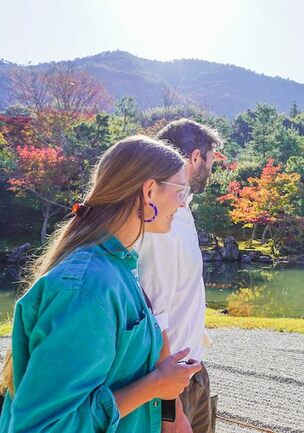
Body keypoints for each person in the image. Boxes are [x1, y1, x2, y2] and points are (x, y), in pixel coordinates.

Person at [0, 136, 202, 433]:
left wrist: (162, 385)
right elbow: (45, 427)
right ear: (149, 191)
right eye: (180, 190)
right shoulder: (87, 289)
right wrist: (155, 385)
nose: (183, 203)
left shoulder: (118, 267)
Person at [137, 119, 222, 433]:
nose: (210, 172)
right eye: (210, 162)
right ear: (195, 157)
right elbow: (153, 314)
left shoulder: (182, 210)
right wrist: (171, 411)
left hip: (191, 373)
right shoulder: (160, 220)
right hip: (169, 385)